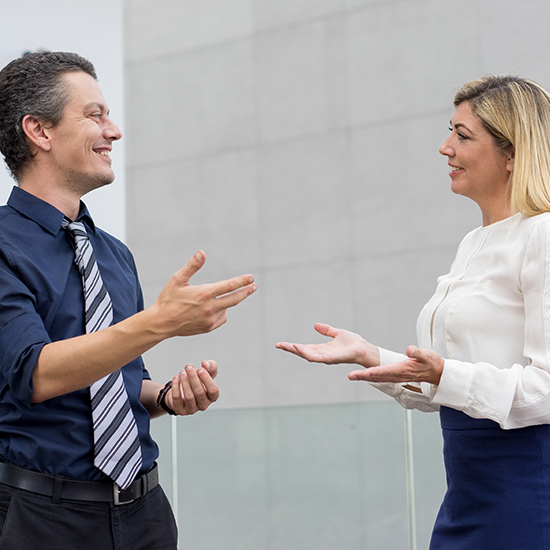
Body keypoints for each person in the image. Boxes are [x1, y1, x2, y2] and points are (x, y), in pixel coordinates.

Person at [276, 74, 550, 549]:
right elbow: (446, 386)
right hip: (469, 490)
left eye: (463, 136)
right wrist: (369, 355)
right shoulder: (473, 244)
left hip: (527, 487)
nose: (446, 148)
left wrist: (446, 373)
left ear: (511, 154)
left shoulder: (542, 237)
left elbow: (544, 389)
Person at [0, 51, 256, 549]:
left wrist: (165, 397)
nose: (113, 131)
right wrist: (161, 322)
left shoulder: (113, 254)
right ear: (40, 131)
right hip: (40, 520)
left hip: (146, 514)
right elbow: (36, 374)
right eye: (95, 115)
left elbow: (119, 381)